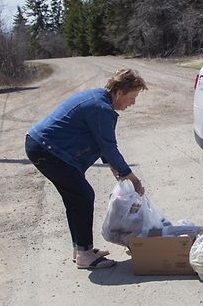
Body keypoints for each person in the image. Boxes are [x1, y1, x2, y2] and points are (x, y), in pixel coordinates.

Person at [25, 68, 148, 269]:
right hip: (47, 150)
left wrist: (116, 171)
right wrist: (132, 178)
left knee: (75, 198)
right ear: (119, 93)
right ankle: (84, 254)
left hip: (41, 147)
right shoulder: (101, 109)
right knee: (83, 196)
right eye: (132, 97)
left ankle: (82, 249)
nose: (133, 103)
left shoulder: (97, 99)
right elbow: (109, 146)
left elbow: (100, 143)